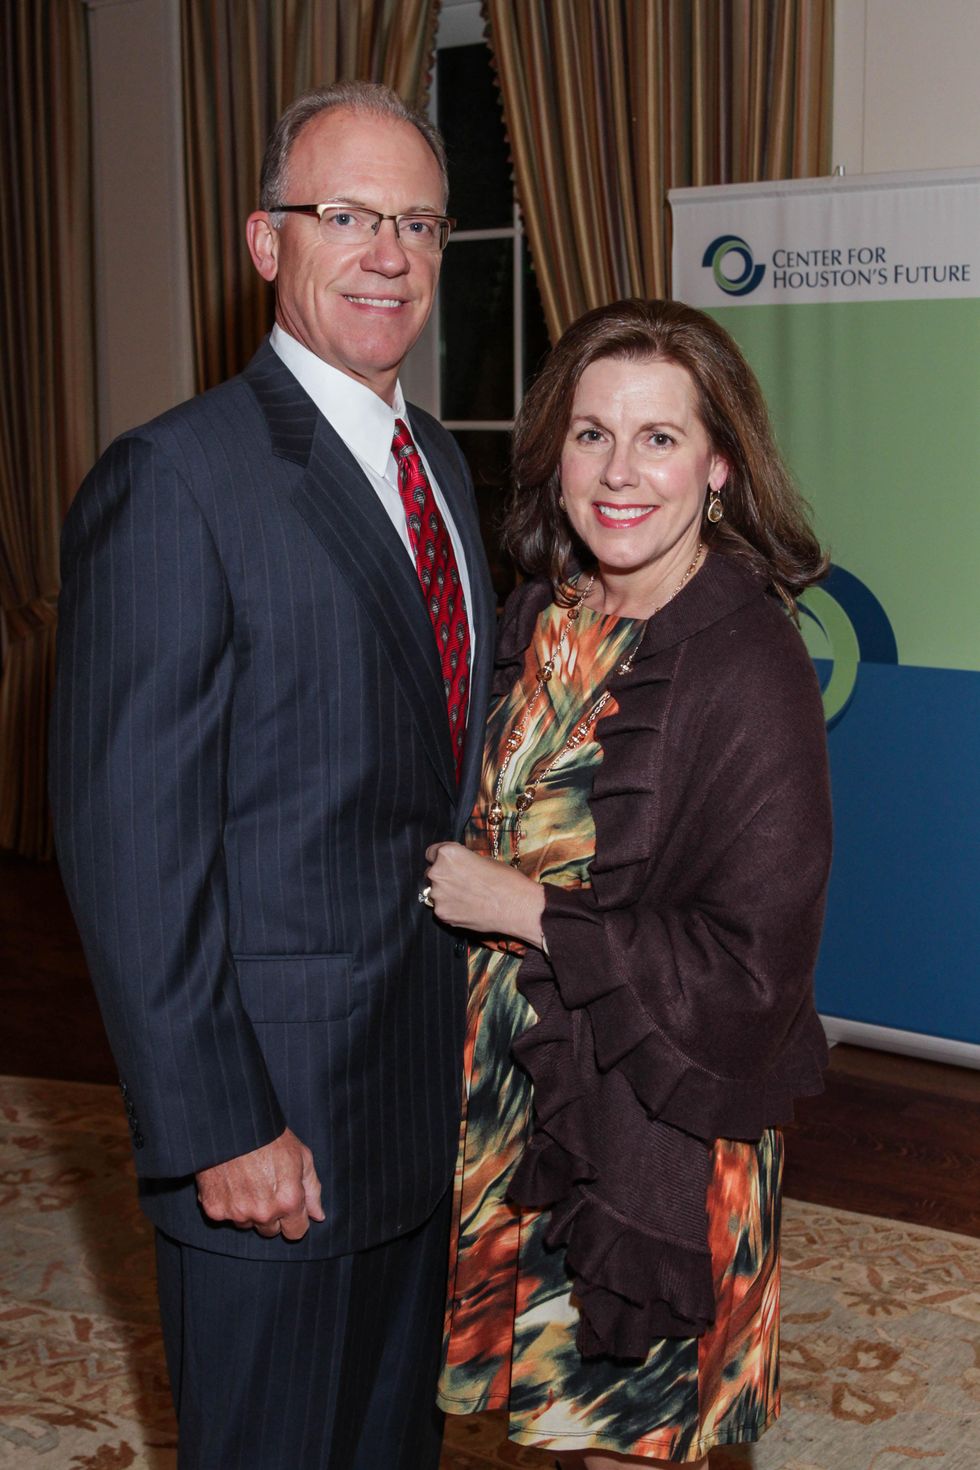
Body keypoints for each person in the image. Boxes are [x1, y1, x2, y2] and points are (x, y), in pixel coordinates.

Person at [50, 81, 494, 1469]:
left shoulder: (444, 470)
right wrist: (222, 1123)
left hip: (418, 1114)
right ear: (263, 242)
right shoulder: (175, 482)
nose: (390, 252)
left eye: (419, 221)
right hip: (271, 1134)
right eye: (346, 214)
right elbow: (133, 844)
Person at [423, 298, 832, 1467]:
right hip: (506, 1108)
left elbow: (754, 961)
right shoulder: (533, 623)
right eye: (591, 432)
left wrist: (528, 910)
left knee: (620, 1445)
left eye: (658, 437)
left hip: (650, 1127)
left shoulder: (749, 663)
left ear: (715, 465)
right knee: (533, 1430)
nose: (618, 470)